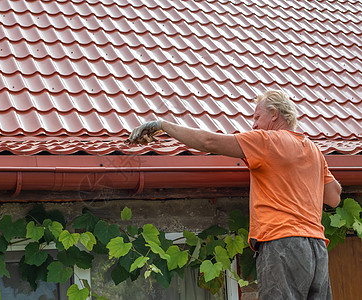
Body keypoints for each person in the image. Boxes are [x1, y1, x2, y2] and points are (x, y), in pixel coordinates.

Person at [126, 90, 342, 300]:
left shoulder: (267, 141)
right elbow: (334, 197)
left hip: (281, 243)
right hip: (316, 251)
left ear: (275, 114)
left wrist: (162, 125)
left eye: (257, 117)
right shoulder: (314, 151)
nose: (254, 124)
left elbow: (209, 142)